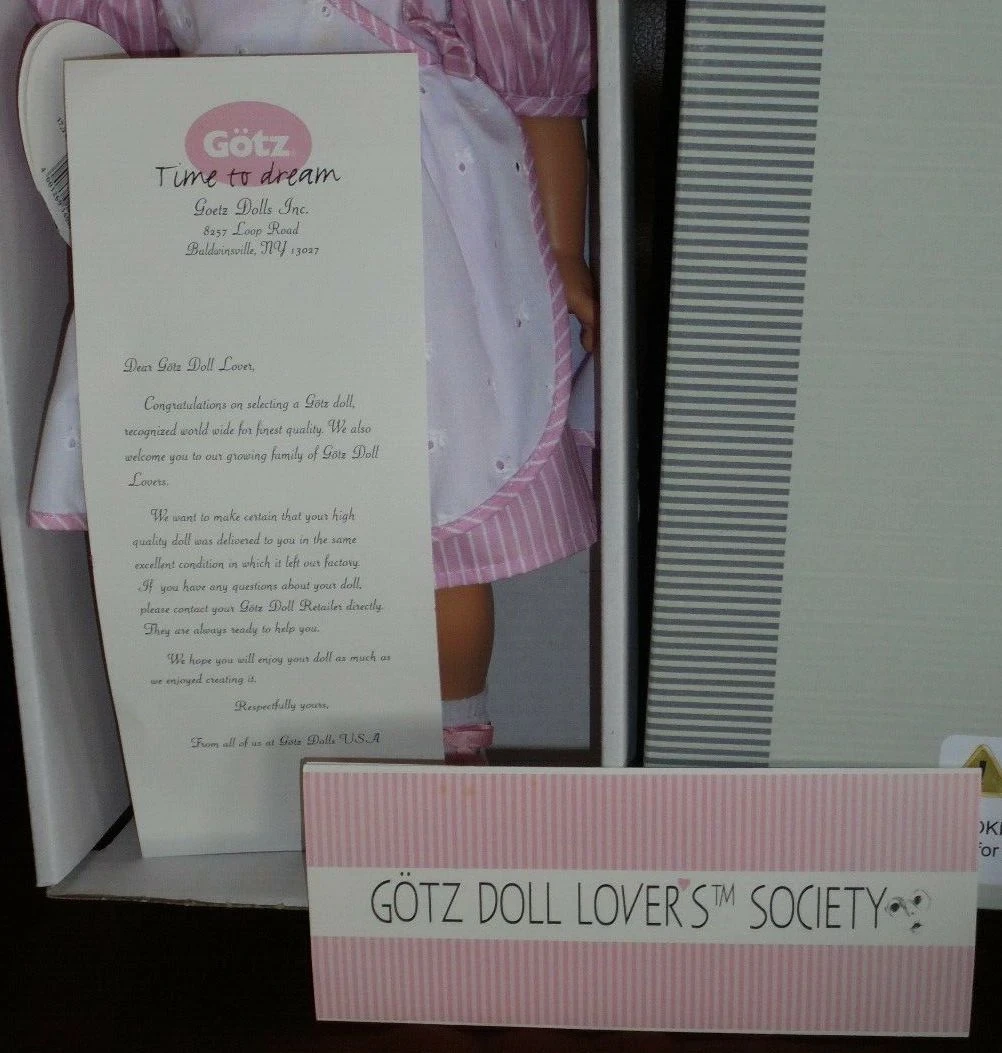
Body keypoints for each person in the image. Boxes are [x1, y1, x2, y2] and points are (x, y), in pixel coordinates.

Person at [25, 0, 598, 762]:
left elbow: (540, 91)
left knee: (433, 525)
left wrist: (562, 251)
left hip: (407, 223)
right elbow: (106, 60)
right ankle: (253, 749)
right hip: (221, 213)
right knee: (233, 517)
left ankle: (451, 741)